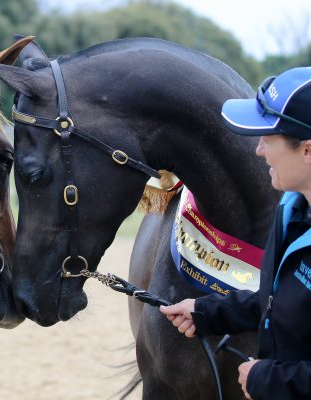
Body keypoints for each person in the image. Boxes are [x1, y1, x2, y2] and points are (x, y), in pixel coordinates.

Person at [160, 66, 311, 400]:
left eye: (268, 139)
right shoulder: (292, 209)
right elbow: (277, 300)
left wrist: (269, 380)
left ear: (307, 150)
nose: (258, 150)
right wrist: (205, 313)